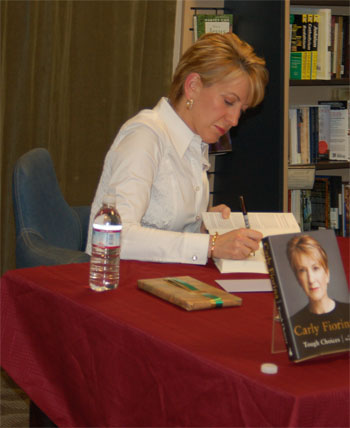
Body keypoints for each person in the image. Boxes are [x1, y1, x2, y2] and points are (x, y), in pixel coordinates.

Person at [86, 32, 269, 264]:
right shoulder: (145, 136)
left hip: (166, 279)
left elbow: (165, 226)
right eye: (229, 102)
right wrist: (210, 245)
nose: (234, 120)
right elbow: (116, 236)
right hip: (124, 282)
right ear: (192, 86)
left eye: (241, 110)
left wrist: (201, 226)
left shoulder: (196, 141)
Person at [287, 234, 349, 325]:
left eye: (315, 268)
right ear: (298, 279)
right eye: (302, 271)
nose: (311, 279)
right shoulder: (293, 323)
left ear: (327, 273)